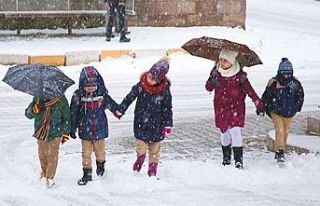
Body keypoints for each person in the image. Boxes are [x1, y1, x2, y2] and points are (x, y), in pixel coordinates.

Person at [205, 49, 264, 169]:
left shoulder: (240, 76)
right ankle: (226, 158)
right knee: (224, 131)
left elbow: (250, 91)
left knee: (235, 131)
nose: (221, 62)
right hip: (221, 107)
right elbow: (208, 88)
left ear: (232, 61)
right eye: (220, 59)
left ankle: (238, 160)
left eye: (225, 60)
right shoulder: (217, 73)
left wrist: (259, 104)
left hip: (236, 107)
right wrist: (212, 78)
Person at [117, 57, 173, 177]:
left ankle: (152, 169)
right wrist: (121, 110)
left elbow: (168, 108)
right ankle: (140, 158)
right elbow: (129, 98)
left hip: (158, 124)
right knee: (141, 146)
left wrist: (168, 123)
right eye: (149, 76)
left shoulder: (164, 90)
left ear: (159, 80)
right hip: (141, 122)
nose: (150, 79)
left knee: (155, 150)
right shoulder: (141, 86)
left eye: (154, 79)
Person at [70, 66, 120, 185]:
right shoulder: (78, 96)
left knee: (100, 152)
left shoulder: (101, 95)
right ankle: (87, 173)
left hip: (100, 129)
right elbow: (73, 113)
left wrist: (119, 111)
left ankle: (100, 165)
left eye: (93, 85)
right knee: (86, 153)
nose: (91, 88)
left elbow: (113, 106)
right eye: (87, 85)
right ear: (82, 85)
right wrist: (72, 128)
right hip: (84, 130)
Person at [261, 58, 304, 163]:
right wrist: (264, 106)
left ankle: (281, 150)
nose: (286, 76)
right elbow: (266, 96)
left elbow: (300, 96)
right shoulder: (274, 82)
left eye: (288, 73)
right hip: (276, 111)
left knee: (285, 132)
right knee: (279, 129)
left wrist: (296, 107)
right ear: (279, 72)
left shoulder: (295, 83)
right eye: (284, 73)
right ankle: (279, 151)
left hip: (289, 112)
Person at [25, 96, 71, 188]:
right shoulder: (38, 98)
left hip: (56, 132)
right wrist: (34, 110)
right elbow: (28, 114)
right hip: (41, 131)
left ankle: (50, 177)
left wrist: (66, 133)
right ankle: (44, 172)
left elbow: (67, 116)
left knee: (52, 155)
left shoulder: (61, 99)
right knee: (42, 154)